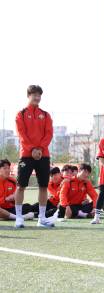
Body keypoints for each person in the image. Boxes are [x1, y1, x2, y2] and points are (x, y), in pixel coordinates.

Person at [15, 85, 55, 228]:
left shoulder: (45, 114)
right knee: (21, 186)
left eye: (39, 95)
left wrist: (39, 149)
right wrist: (32, 149)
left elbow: (49, 134)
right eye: (34, 95)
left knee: (43, 186)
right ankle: (19, 218)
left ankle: (42, 218)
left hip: (43, 155)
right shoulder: (21, 114)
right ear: (28, 96)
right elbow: (21, 134)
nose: (37, 98)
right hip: (26, 155)